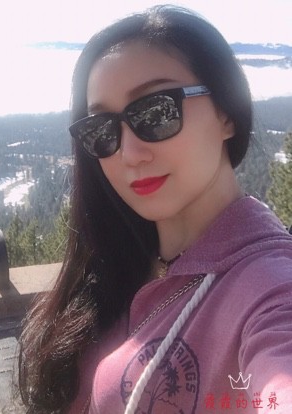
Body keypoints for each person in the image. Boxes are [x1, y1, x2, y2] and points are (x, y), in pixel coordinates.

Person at [17, 5, 292, 414]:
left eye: (155, 112)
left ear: (227, 113)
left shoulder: (270, 288)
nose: (129, 154)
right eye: (102, 129)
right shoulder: (115, 262)